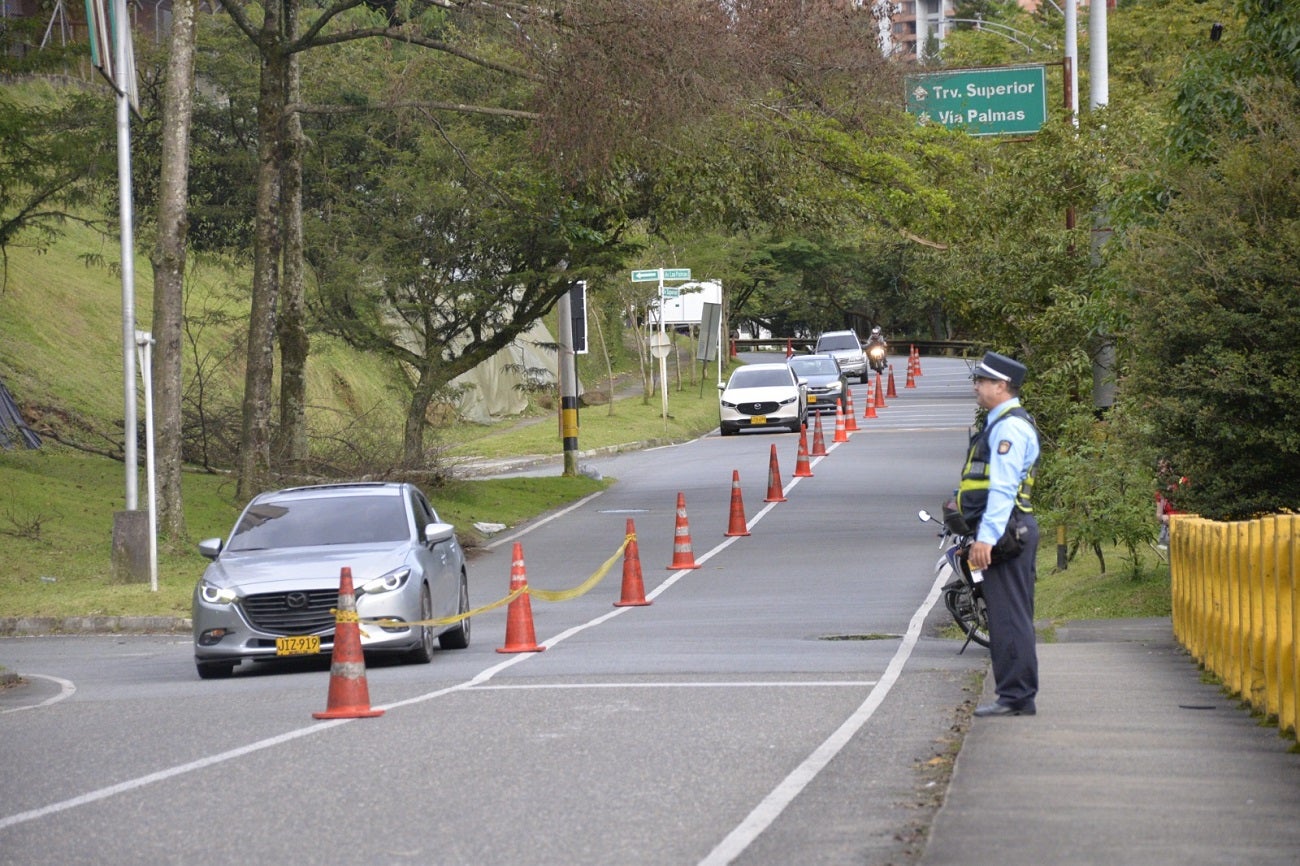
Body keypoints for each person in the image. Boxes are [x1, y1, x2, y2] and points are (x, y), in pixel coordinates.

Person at [957, 351, 1041, 718]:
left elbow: (1003, 489)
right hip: (1007, 529)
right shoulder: (999, 424)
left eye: (982, 381)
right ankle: (1014, 693)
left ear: (1002, 386)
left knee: (1008, 617)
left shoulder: (1009, 428)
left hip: (1007, 532)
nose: (976, 386)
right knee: (1006, 614)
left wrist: (986, 539)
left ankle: (1016, 696)